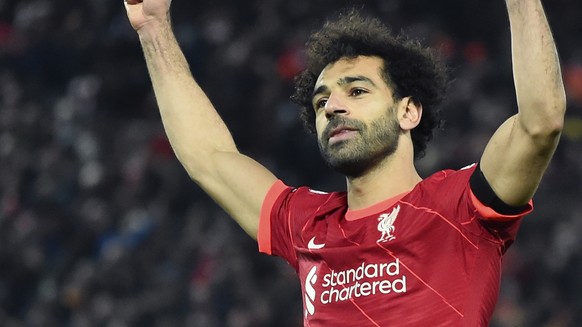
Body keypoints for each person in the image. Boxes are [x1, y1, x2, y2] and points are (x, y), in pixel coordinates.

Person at [124, 0, 566, 325]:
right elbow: (209, 157)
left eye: (356, 91)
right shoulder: (308, 223)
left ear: (408, 111)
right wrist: (153, 29)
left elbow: (540, 123)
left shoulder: (460, 208)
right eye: (321, 102)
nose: (332, 106)